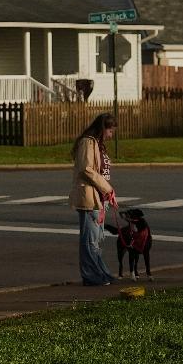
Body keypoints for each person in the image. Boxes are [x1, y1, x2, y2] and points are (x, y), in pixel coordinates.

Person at [70, 112, 117, 286]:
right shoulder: (88, 143)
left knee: (95, 240)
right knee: (89, 239)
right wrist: (107, 188)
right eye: (110, 131)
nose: (111, 135)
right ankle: (91, 275)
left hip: (99, 196)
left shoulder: (98, 144)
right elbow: (86, 169)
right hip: (90, 196)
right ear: (103, 128)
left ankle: (101, 271)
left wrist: (108, 193)